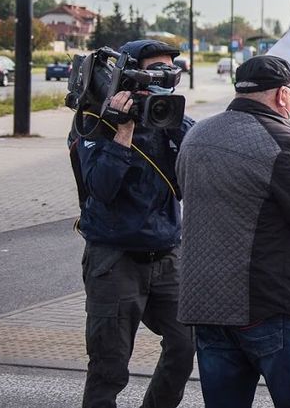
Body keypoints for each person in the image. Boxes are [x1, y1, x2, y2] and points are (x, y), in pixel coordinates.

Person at [175, 55, 290, 407]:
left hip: (207, 307)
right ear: (282, 95)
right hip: (271, 307)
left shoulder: (196, 136)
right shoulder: (282, 140)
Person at [72, 39, 195, 408]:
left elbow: (197, 168)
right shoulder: (94, 122)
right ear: (129, 75)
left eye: (170, 72)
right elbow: (101, 188)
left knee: (185, 344)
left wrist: (174, 126)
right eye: (155, 72)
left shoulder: (170, 118)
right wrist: (122, 132)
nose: (163, 80)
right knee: (109, 366)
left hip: (167, 256)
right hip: (115, 260)